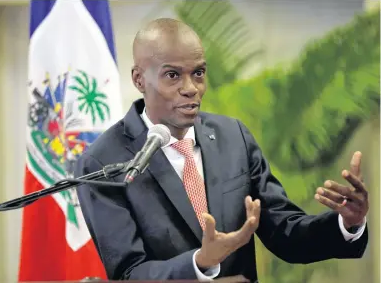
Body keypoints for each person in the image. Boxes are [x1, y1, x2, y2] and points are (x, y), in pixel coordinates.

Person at [75, 18, 369, 282]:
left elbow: (284, 232)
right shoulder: (103, 162)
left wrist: (347, 223)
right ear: (139, 79)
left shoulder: (233, 136)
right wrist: (199, 263)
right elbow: (129, 273)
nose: (191, 88)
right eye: (173, 75)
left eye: (198, 73)